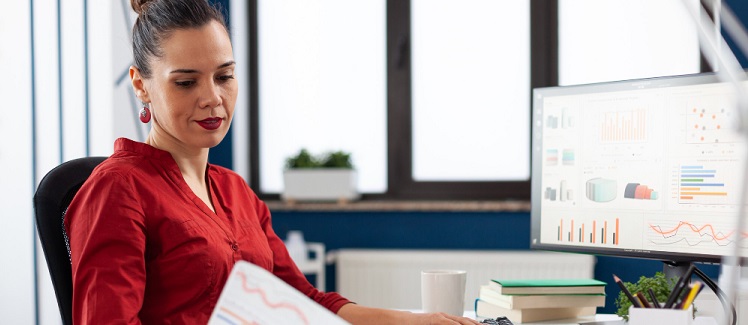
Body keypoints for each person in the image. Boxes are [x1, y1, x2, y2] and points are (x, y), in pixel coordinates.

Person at [64, 0, 481, 324]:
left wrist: (413, 320)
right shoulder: (118, 190)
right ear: (141, 85)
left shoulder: (235, 192)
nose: (213, 98)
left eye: (224, 76)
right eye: (187, 82)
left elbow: (305, 303)